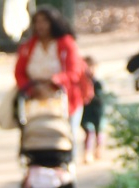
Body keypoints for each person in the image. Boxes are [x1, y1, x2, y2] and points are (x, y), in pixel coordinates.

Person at [14, 7, 86, 142]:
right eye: (37, 22)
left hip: (63, 98)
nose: (40, 26)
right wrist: (31, 88)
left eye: (44, 21)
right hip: (35, 99)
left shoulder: (66, 44)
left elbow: (74, 72)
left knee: (67, 138)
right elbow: (19, 72)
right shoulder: (28, 46)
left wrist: (53, 81)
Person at [80, 56, 106, 163]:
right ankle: (87, 153)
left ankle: (98, 150)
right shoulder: (81, 82)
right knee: (89, 131)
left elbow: (101, 97)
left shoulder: (98, 83)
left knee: (99, 132)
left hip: (97, 111)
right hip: (86, 111)